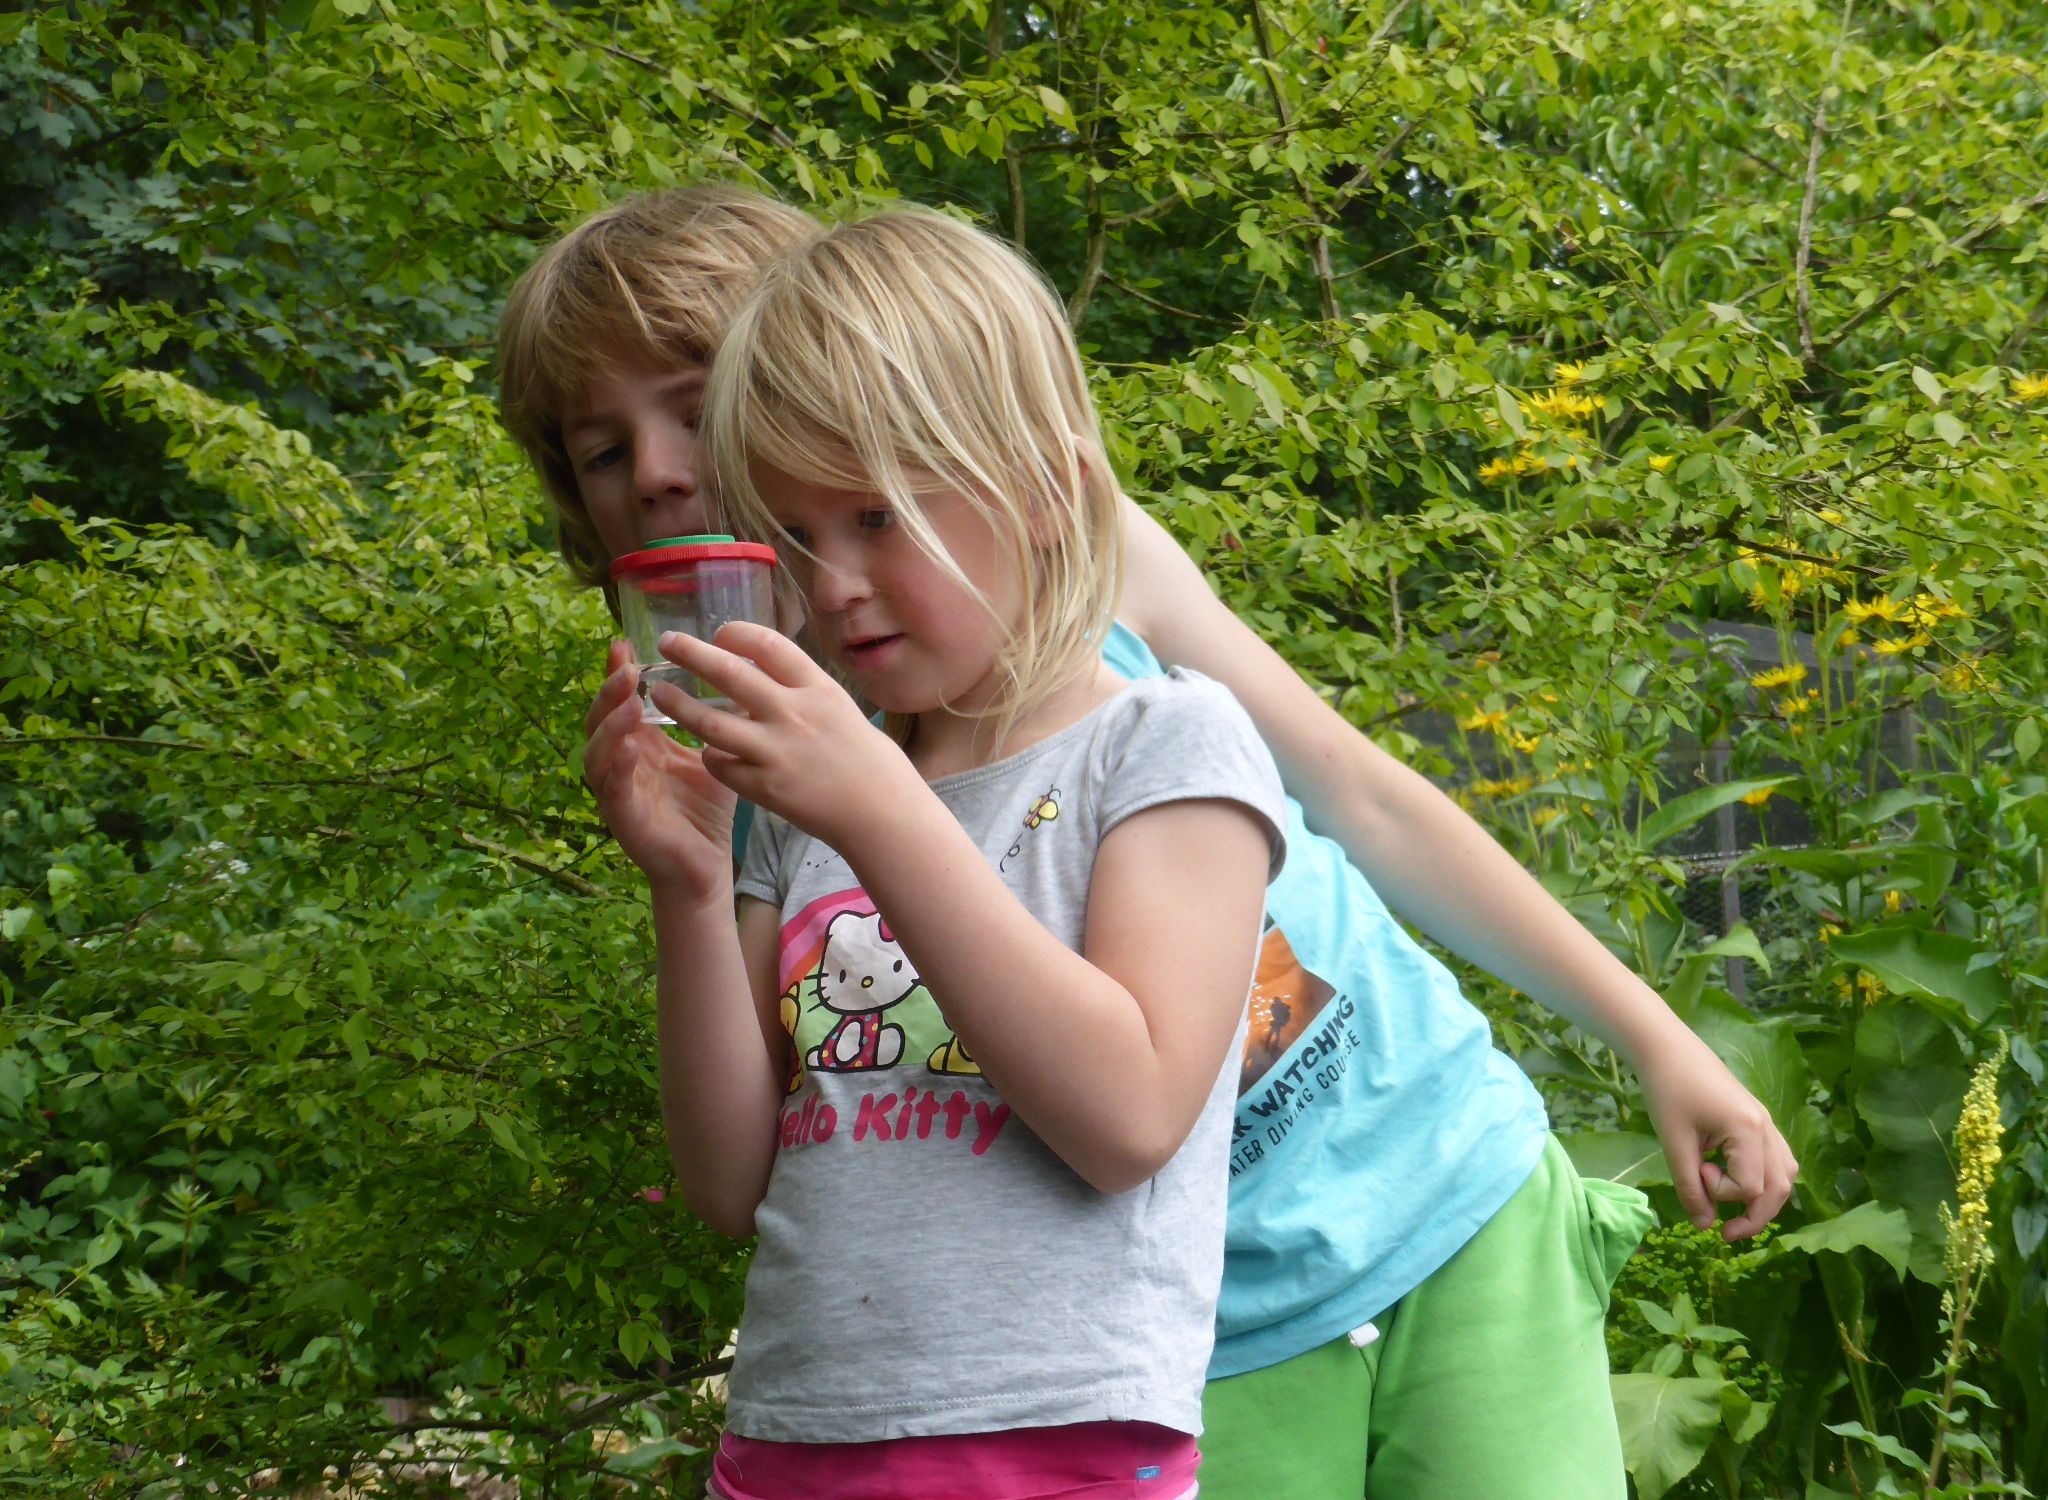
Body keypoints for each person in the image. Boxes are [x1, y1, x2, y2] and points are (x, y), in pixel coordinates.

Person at [497, 184, 1802, 1499]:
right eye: (604, 451)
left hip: (1435, 1183)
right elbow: (786, 1154)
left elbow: (1359, 789)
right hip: (1180, 1344)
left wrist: (1652, 1030)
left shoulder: (1082, 574)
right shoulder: (773, 793)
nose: (662, 467)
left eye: (693, 394)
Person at [579, 207, 1290, 1498]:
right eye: (791, 535)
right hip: (789, 1445)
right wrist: (688, 884)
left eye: (877, 517)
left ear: (1048, 493)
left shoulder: (1166, 747)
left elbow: (1129, 1117)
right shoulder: (802, 796)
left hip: (1056, 1452)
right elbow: (728, 1181)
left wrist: (881, 813)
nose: (833, 581)